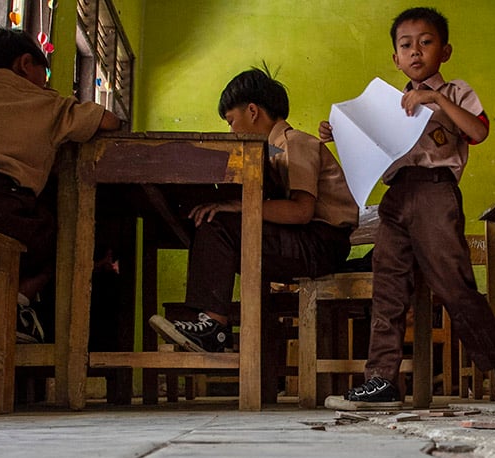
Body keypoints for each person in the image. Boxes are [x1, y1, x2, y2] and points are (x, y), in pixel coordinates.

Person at [319, 7, 495, 409]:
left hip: (436, 192)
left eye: (426, 42)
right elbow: (369, 153)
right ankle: (381, 381)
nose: (416, 51)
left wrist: (434, 98)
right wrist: (339, 133)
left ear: (445, 51)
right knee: (388, 287)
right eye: (405, 45)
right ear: (395, 58)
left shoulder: (455, 93)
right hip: (396, 196)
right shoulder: (385, 104)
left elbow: (479, 130)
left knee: (451, 280)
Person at [148, 66, 358, 353]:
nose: (231, 130)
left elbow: (301, 212)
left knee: (219, 221)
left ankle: (213, 326)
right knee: (213, 219)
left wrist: (238, 207)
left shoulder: (295, 142)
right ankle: (211, 324)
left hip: (321, 243)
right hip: (306, 240)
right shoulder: (272, 150)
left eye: (231, 121)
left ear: (252, 111)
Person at [0, 28, 121, 342]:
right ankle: (14, 306)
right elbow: (109, 121)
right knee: (70, 244)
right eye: (45, 72)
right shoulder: (43, 102)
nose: (46, 81)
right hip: (0, 210)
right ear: (25, 64)